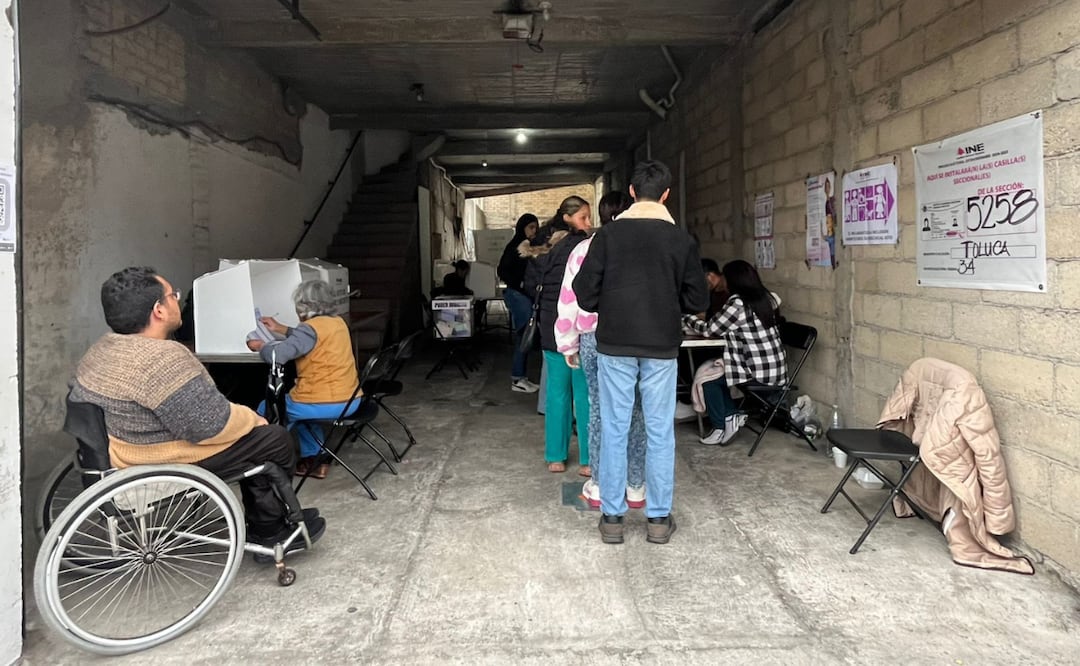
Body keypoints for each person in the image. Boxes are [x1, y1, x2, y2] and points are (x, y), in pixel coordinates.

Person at [69, 266, 325, 556]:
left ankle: (271, 518)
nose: (177, 300)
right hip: (156, 458)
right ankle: (270, 530)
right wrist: (252, 418)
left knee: (254, 436)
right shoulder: (162, 358)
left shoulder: (102, 349)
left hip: (118, 450)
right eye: (172, 296)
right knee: (274, 439)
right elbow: (210, 425)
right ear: (159, 311)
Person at [574, 161, 709, 545]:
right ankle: (659, 520)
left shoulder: (608, 237)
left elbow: (585, 294)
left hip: (615, 344)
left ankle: (613, 520)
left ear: (631, 192)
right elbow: (698, 298)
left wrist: (616, 302)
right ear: (666, 195)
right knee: (659, 431)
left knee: (615, 428)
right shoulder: (680, 240)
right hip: (662, 347)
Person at [555, 190, 646, 509]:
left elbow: (568, 299)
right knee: (634, 409)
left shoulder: (583, 249)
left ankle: (600, 483)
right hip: (633, 336)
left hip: (593, 337)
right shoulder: (640, 249)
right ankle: (635, 485)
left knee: (598, 408)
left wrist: (566, 342)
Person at [248, 279, 360, 480]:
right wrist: (282, 329)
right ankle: (315, 461)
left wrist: (260, 347)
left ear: (304, 307)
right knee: (301, 415)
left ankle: (262, 461)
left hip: (324, 402)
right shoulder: (337, 322)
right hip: (350, 399)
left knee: (270, 407)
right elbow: (313, 339)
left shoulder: (309, 329)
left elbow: (278, 356)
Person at [521, 195, 593, 475]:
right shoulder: (582, 245)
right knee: (584, 394)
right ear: (567, 218)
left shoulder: (539, 246)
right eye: (583, 217)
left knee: (557, 394)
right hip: (577, 324)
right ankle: (588, 459)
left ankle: (555, 457)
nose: (587, 223)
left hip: (550, 325)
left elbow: (529, 285)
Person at [682, 260, 787, 446]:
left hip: (758, 374)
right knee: (714, 373)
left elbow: (709, 329)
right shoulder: (768, 298)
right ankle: (728, 419)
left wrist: (688, 318)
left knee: (707, 378)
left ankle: (722, 423)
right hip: (776, 372)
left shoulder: (738, 304)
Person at [497, 213, 541, 393]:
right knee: (524, 336)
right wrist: (520, 283)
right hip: (517, 296)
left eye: (535, 228)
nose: (534, 231)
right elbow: (502, 271)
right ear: (522, 227)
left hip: (522, 295)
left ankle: (520, 377)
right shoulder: (516, 247)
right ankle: (517, 378)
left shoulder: (528, 246)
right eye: (531, 227)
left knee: (525, 337)